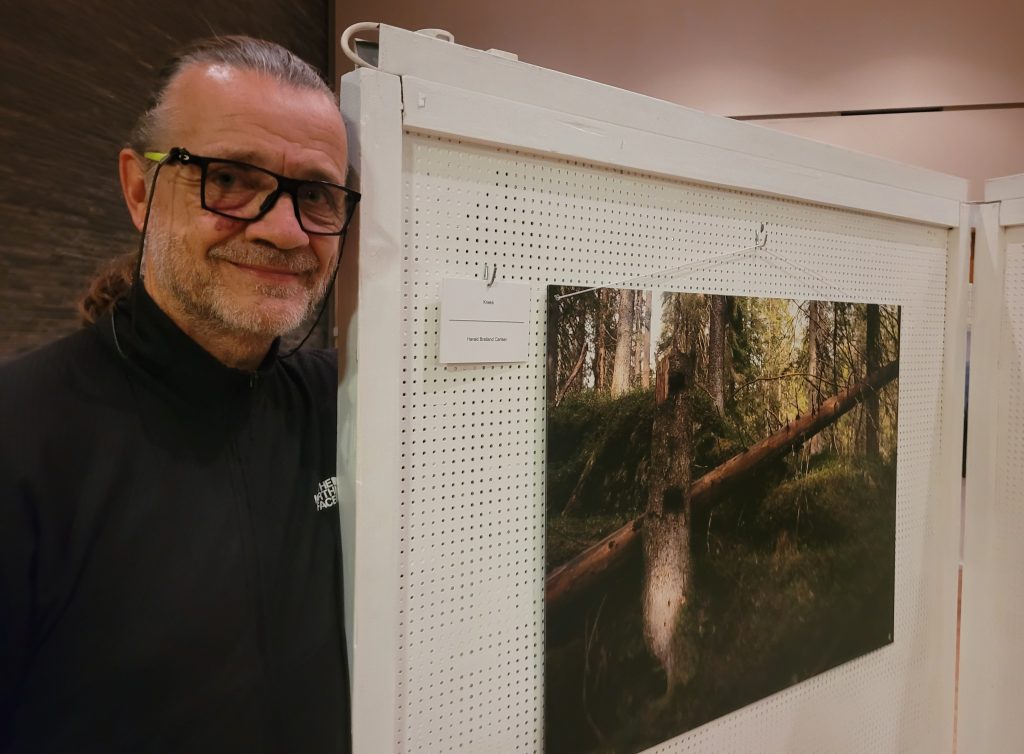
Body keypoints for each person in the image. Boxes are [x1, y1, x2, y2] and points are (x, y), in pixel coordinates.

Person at [0, 36, 358, 753]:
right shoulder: (20, 434)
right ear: (139, 190)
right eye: (229, 178)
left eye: (315, 194)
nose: (286, 230)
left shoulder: (347, 406)